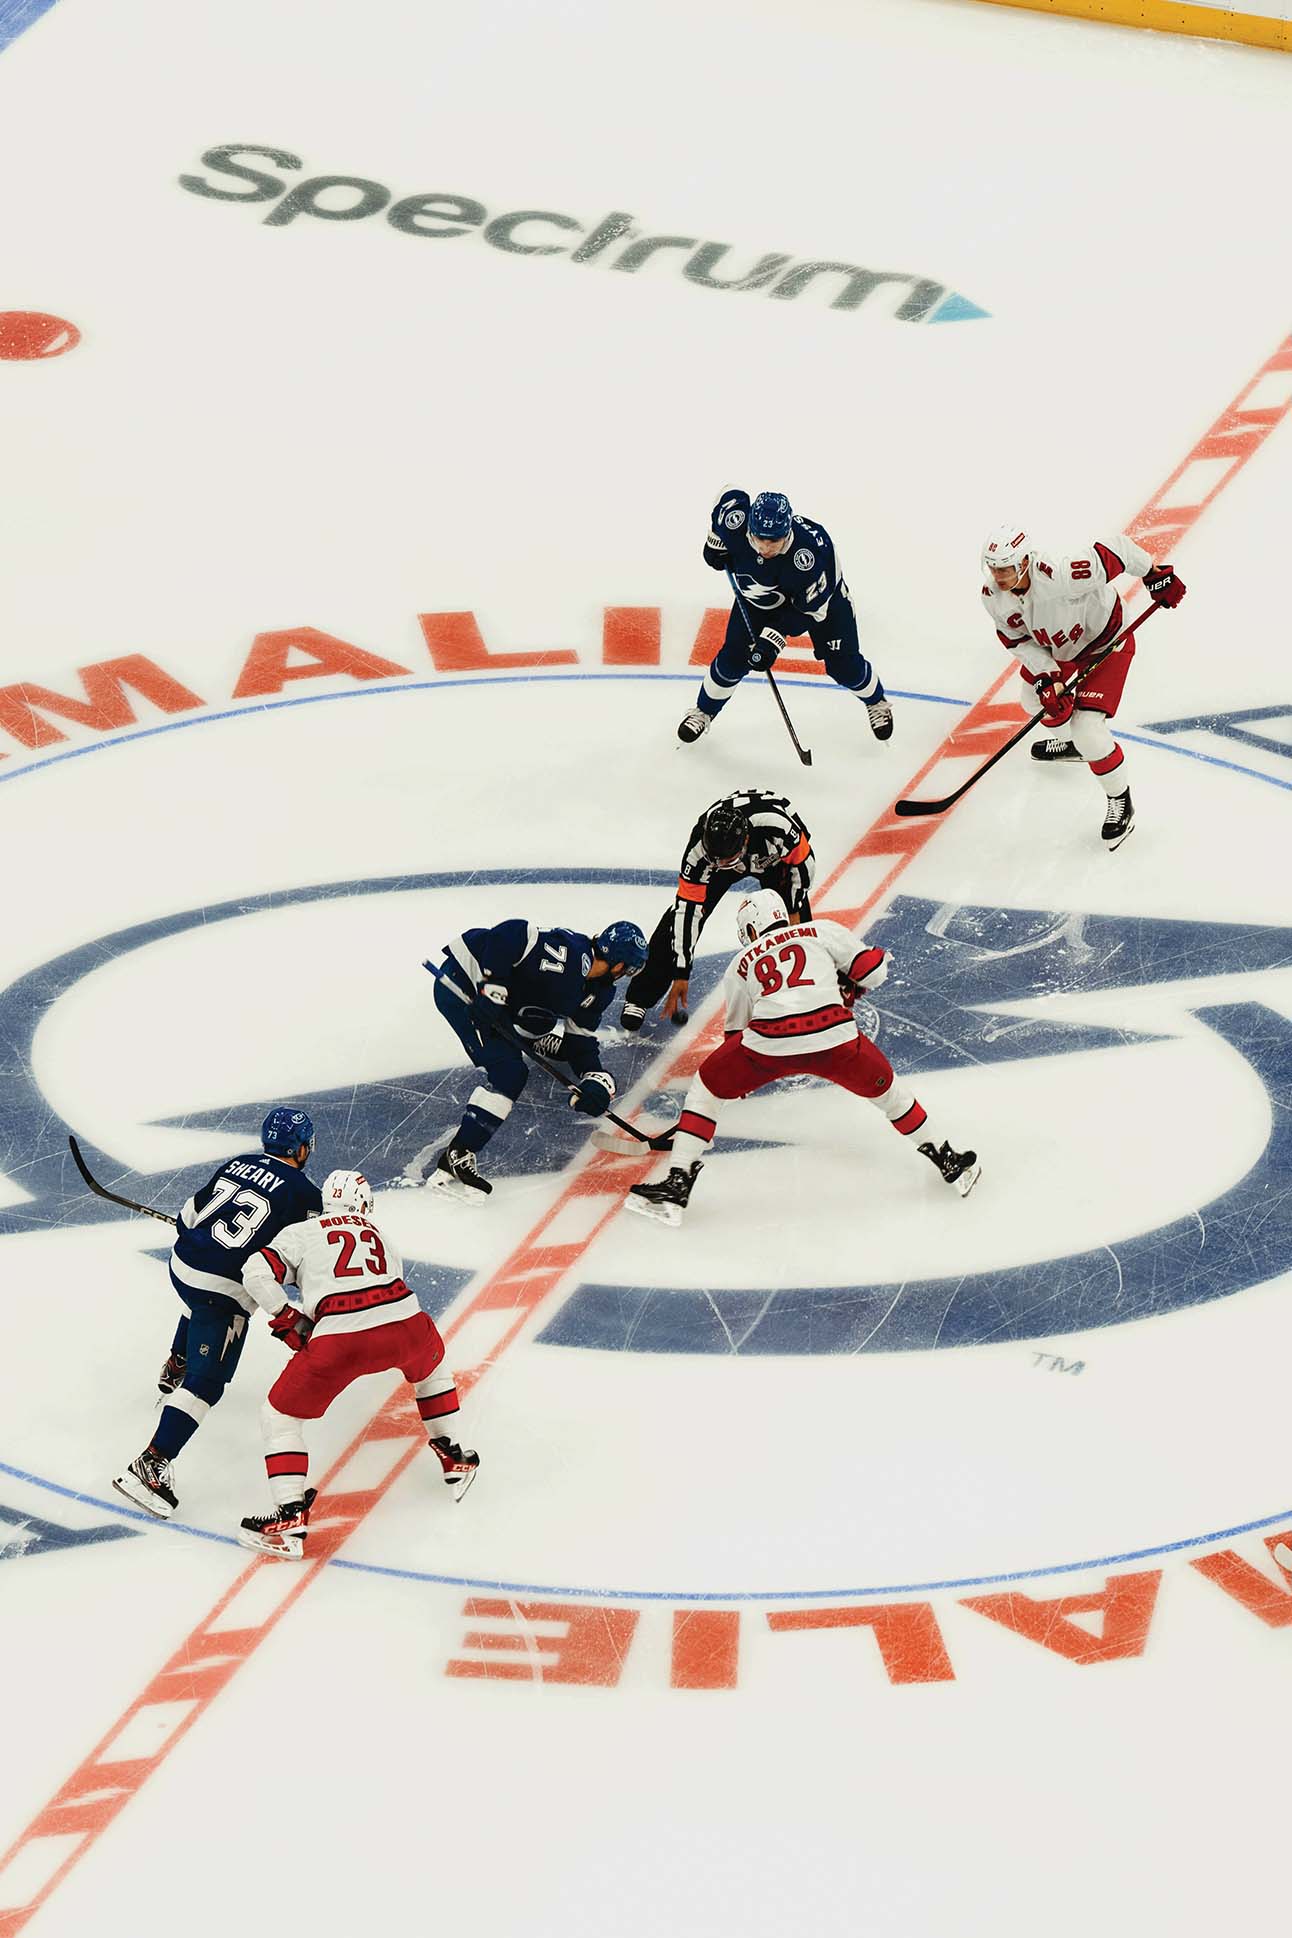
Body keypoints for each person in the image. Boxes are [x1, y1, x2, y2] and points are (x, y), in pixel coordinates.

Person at [626, 888, 980, 1225]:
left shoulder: (741, 962)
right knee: (891, 1095)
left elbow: (735, 1033)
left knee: (706, 1089)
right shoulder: (820, 930)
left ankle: (678, 1181)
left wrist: (738, 1079)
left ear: (752, 928)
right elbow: (874, 972)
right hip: (835, 1037)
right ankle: (947, 1158)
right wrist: (856, 976)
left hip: (770, 1043)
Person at [237, 1168, 475, 1558]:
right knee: (432, 1372)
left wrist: (286, 1316)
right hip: (408, 1324)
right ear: (363, 1204)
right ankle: (454, 1454)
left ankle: (290, 1516)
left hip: (340, 1339)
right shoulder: (380, 1234)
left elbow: (255, 1272)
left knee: (279, 1418)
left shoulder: (302, 1232)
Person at [112, 1107, 323, 1519]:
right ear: (300, 1148)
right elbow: (307, 1256)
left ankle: (178, 1360)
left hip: (180, 1265)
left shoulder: (238, 1163)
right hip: (221, 1289)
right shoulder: (306, 1194)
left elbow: (187, 1217)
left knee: (199, 1300)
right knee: (207, 1385)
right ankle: (150, 1465)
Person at [980, 523, 1187, 850]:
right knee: (1032, 700)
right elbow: (1017, 641)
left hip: (1108, 643)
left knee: (1088, 729)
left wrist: (1153, 575)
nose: (998, 576)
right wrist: (1048, 676)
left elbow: (1119, 549)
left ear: (1024, 562)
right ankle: (1071, 745)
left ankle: (1121, 800)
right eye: (993, 568)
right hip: (1061, 649)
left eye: (1004, 568)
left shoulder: (1062, 577)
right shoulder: (993, 597)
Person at [426, 917, 648, 1198]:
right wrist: (493, 987)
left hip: (504, 1002)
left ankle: (530, 1038)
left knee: (542, 1018)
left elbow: (580, 1044)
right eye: (628, 970)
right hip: (465, 984)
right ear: (619, 965)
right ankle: (457, 1154)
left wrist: (597, 1080)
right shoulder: (568, 954)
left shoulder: (599, 991)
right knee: (510, 1073)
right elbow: (509, 932)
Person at [678, 487, 892, 745]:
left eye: (774, 541)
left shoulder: (809, 556)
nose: (765, 547)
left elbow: (811, 611)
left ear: (787, 531)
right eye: (759, 538)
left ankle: (877, 701)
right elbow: (728, 496)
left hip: (822, 604)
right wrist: (715, 540)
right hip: (760, 600)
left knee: (844, 667)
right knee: (732, 659)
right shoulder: (736, 521)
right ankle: (703, 711)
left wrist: (772, 640)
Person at [622, 789, 814, 1030]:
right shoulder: (700, 852)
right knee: (675, 922)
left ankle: (806, 989)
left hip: (774, 859)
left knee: (793, 922)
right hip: (734, 853)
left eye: (725, 861)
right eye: (714, 859)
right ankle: (641, 994)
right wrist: (681, 972)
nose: (718, 864)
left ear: (745, 842)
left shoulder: (779, 829)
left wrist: (794, 907)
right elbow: (687, 912)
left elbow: (803, 867)